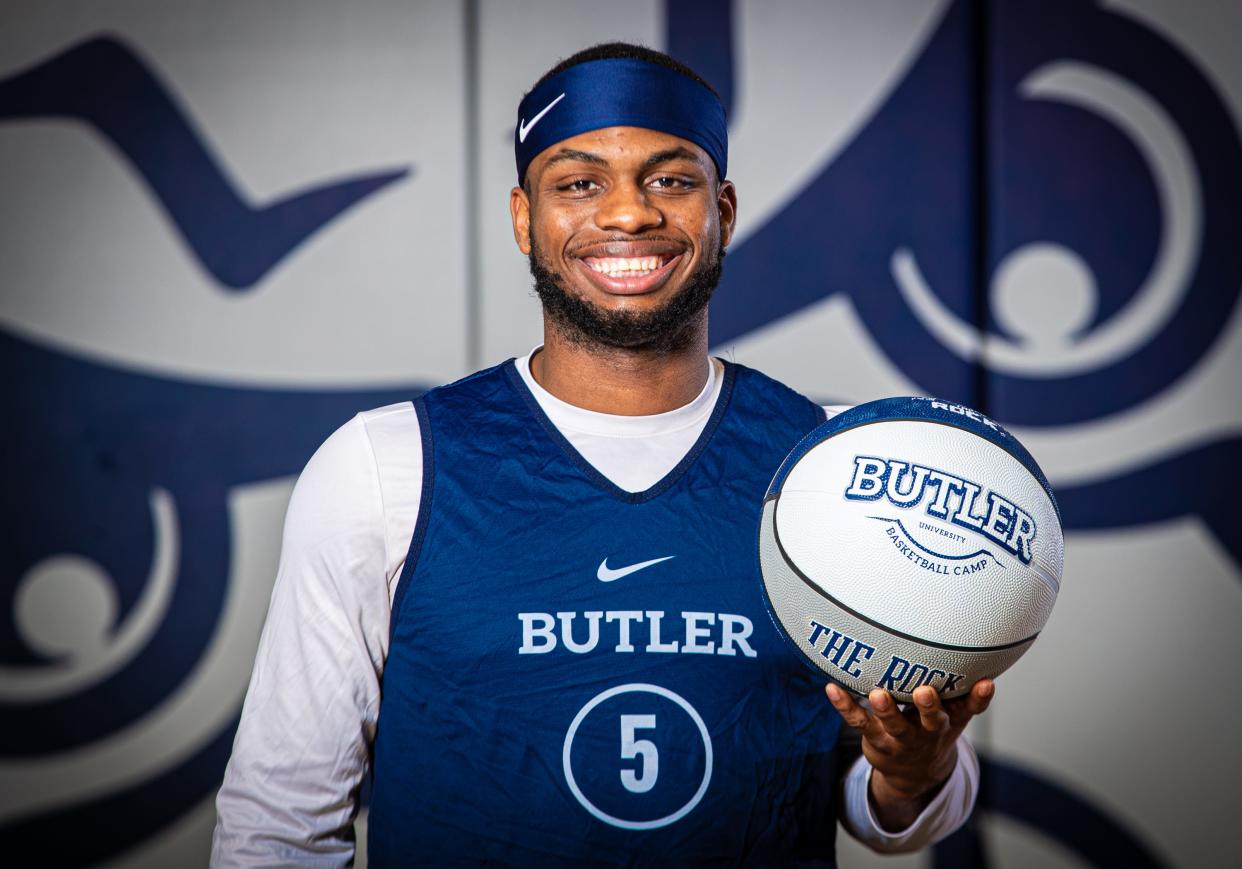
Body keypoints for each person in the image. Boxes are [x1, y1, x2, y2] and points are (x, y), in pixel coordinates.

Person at [212, 42, 992, 867]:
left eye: (671, 179)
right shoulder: (385, 465)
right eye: (579, 183)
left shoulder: (837, 469)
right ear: (524, 218)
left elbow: (888, 798)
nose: (627, 215)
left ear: (722, 211)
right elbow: (280, 817)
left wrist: (915, 770)